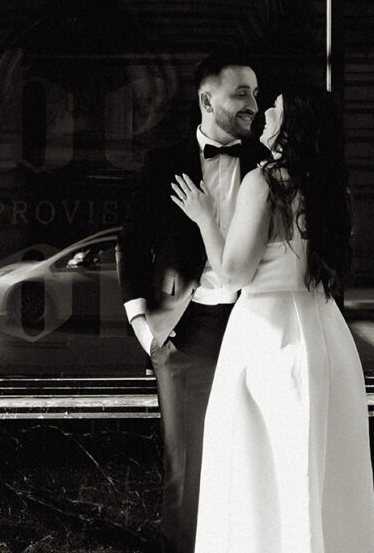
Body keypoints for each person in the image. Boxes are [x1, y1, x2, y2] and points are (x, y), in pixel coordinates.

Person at [170, 85, 374, 553]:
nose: (265, 111)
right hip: (325, 334)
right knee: (322, 476)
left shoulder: (264, 182)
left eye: (277, 107)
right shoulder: (331, 188)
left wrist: (205, 217)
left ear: (293, 125)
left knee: (256, 474)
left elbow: (232, 272)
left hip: (267, 340)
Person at [117, 48, 270, 553]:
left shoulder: (268, 163)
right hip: (188, 330)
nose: (254, 102)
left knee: (253, 456)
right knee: (188, 464)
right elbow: (132, 245)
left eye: (255, 91)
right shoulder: (164, 162)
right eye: (241, 92)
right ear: (208, 99)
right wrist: (143, 325)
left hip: (258, 323)